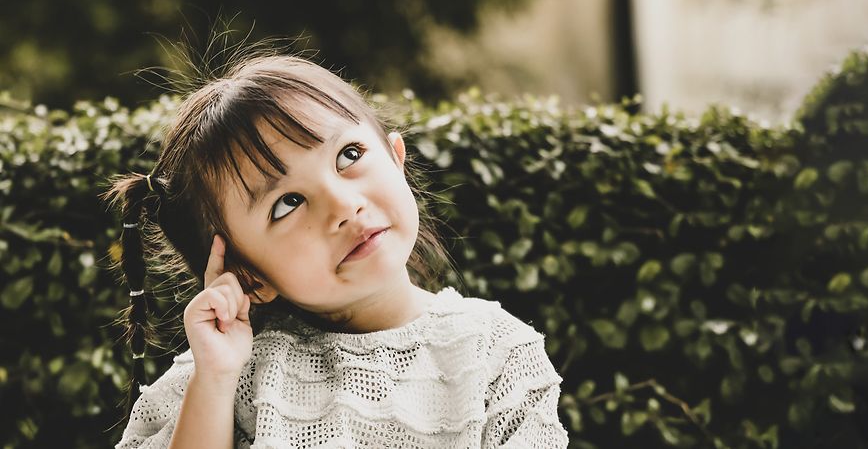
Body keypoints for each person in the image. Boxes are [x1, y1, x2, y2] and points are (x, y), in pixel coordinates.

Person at [104, 54, 569, 448]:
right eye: (287, 203)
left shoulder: (497, 355)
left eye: (348, 155)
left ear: (396, 157)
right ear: (248, 276)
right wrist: (216, 380)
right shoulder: (228, 375)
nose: (344, 207)